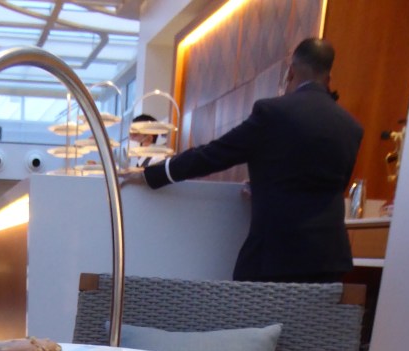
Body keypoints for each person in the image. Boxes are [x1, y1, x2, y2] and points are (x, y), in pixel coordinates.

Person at [122, 38, 363, 283]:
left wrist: (151, 174)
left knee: (250, 309)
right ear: (328, 76)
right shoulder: (351, 127)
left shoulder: (273, 112)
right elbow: (324, 185)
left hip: (275, 257)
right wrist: (264, 187)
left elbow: (214, 154)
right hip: (330, 259)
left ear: (290, 72)